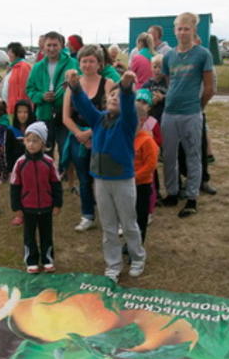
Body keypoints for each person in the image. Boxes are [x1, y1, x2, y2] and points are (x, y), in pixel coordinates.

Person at [67, 69, 146, 281]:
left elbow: (128, 107)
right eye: (112, 95)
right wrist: (75, 87)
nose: (114, 98)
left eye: (119, 97)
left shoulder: (128, 122)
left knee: (128, 224)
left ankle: (137, 258)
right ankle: (113, 265)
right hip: (101, 181)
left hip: (123, 181)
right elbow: (84, 105)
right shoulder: (98, 119)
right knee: (109, 226)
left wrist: (126, 88)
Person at [161, 12, 215, 217]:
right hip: (169, 112)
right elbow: (169, 82)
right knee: (169, 156)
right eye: (180, 29)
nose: (183, 32)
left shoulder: (203, 54)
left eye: (187, 29)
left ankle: (192, 197)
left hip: (191, 113)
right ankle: (172, 193)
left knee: (193, 155)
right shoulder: (169, 56)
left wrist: (198, 106)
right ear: (175, 31)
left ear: (194, 30)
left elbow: (209, 88)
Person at [62, 44, 115, 231]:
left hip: (102, 136)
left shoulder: (108, 84)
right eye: (84, 61)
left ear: (99, 63)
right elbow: (66, 117)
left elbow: (111, 114)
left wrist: (91, 133)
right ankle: (87, 215)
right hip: (78, 139)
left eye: (91, 61)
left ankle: (111, 215)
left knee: (105, 178)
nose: (87, 65)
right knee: (83, 179)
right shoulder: (72, 86)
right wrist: (79, 134)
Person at [10, 121, 62, 273]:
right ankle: (31, 261)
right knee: (29, 236)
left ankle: (48, 260)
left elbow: (56, 184)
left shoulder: (49, 162)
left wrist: (57, 204)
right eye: (28, 140)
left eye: (35, 140)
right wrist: (16, 207)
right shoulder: (20, 163)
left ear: (43, 143)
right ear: (24, 141)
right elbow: (14, 186)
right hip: (28, 207)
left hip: (46, 207)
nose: (31, 144)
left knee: (46, 235)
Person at [26, 31, 78, 156]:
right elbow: (29, 89)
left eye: (55, 45)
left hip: (66, 115)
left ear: (61, 46)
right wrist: (41, 96)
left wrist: (70, 88)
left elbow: (81, 85)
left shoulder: (72, 63)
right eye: (49, 45)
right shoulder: (37, 67)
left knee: (66, 150)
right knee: (44, 151)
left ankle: (63, 168)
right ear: (43, 46)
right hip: (44, 115)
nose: (52, 48)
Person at [134, 90, 160, 241]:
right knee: (129, 215)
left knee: (140, 217)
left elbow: (151, 165)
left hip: (142, 184)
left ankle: (138, 245)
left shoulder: (147, 140)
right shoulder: (126, 138)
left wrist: (135, 177)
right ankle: (129, 243)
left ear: (142, 120)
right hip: (127, 183)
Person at [2, 42, 32, 114]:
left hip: (18, 110)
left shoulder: (23, 67)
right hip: (11, 107)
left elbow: (24, 89)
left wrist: (20, 109)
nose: (8, 54)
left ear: (17, 53)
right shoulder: (14, 66)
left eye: (10, 52)